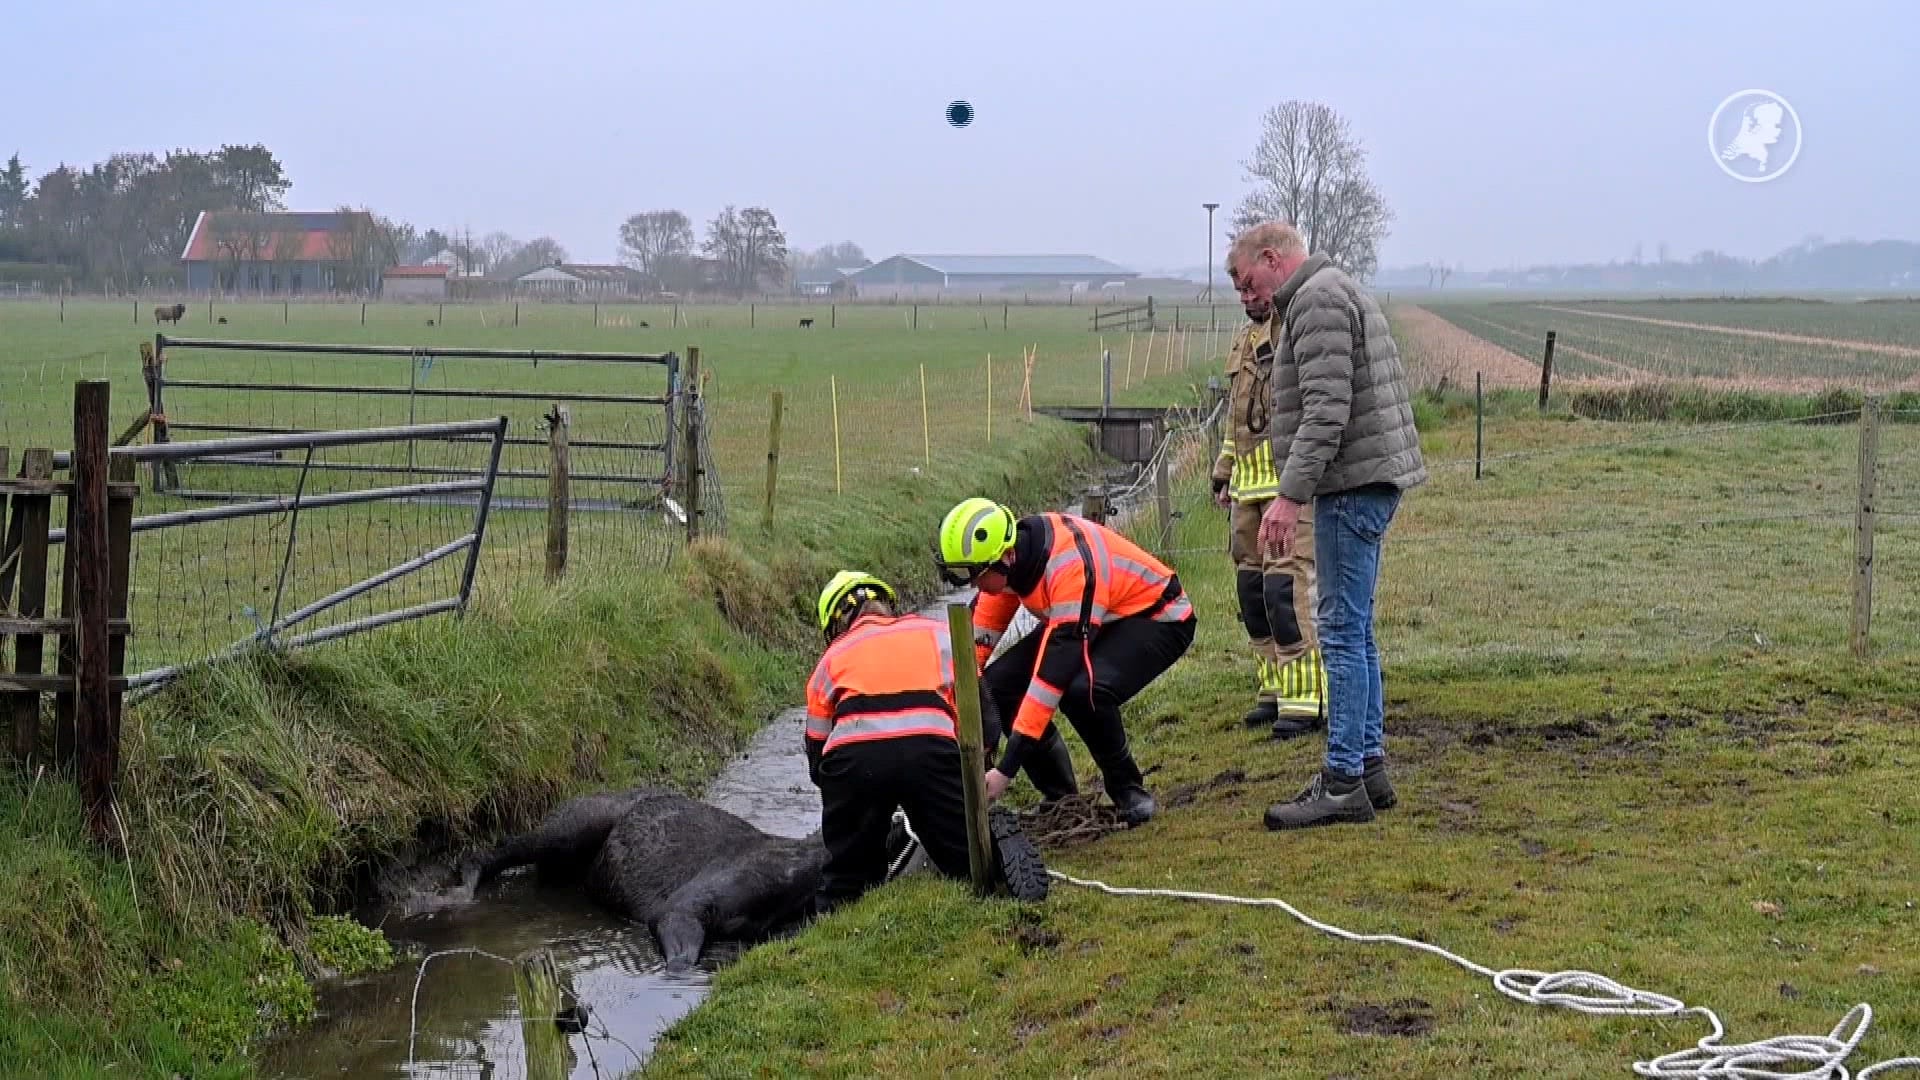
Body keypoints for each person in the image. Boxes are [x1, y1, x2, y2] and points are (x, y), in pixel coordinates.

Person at [1225, 220, 1428, 831]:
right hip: (1366, 478)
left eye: (1247, 280)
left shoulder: (1315, 301)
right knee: (1355, 630)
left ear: (1271, 258)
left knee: (1338, 632)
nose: (1246, 293)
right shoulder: (1335, 288)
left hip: (1349, 485)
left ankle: (1342, 781)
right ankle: (1369, 769)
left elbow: (1325, 411)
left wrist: (1288, 498)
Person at [934, 498, 1197, 827]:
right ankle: (1061, 798)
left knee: (1083, 691)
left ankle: (1128, 790)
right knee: (999, 687)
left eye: (975, 576)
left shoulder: (1070, 566)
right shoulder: (1010, 563)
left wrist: (1005, 770)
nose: (973, 586)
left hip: (1158, 616)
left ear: (1006, 556)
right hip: (1094, 615)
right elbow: (971, 655)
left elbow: (1050, 680)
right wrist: (957, 721)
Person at [804, 571, 1045, 912]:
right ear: (888, 604)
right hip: (931, 750)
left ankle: (836, 920)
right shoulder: (937, 633)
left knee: (847, 873)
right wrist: (976, 772)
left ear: (834, 623)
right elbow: (985, 713)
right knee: (963, 856)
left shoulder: (831, 659)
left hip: (855, 762)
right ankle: (993, 855)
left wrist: (843, 801)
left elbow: (817, 749)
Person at [1210, 297, 1327, 739]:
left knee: (1285, 592)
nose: (1243, 296)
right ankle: (1273, 688)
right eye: (1237, 287)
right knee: (1253, 593)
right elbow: (1236, 415)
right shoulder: (1246, 337)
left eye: (1249, 285)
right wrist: (1224, 470)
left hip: (1285, 489)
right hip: (1246, 489)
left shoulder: (1295, 328)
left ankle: (1306, 698)